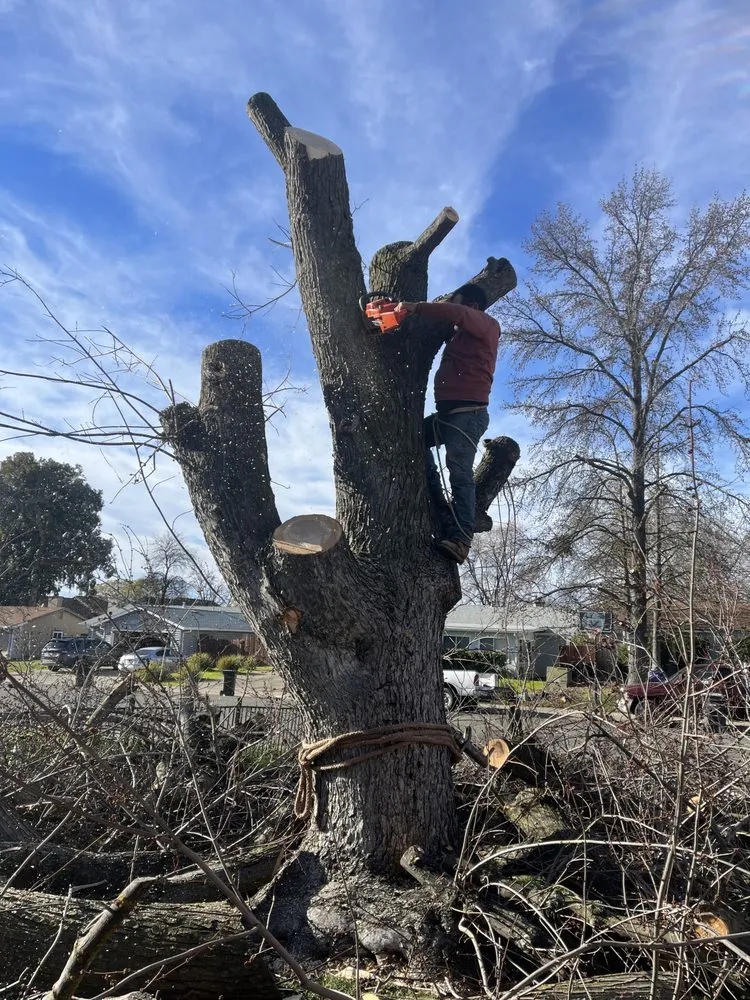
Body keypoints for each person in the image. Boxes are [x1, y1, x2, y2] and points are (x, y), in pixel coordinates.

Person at [397, 283, 501, 564]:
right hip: (448, 416)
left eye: (459, 305)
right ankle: (438, 503)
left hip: (468, 415)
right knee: (413, 438)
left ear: (473, 307)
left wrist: (414, 306)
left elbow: (457, 314)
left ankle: (461, 538)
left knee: (458, 470)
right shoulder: (461, 336)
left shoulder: (487, 325)